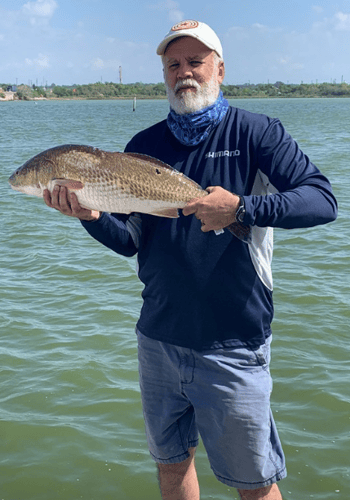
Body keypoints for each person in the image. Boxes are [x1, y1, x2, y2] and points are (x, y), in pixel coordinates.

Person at [43, 19, 338, 500]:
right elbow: (130, 242)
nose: (184, 73)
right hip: (158, 338)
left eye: (195, 62)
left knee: (256, 485)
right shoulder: (142, 146)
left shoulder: (257, 133)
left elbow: (322, 201)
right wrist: (91, 216)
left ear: (220, 69)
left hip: (233, 343)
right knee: (172, 468)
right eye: (173, 64)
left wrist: (242, 207)